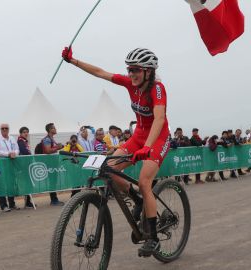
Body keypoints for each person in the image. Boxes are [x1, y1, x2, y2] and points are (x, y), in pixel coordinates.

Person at [62, 46, 171, 256]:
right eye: (129, 69)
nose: (131, 74)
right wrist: (73, 61)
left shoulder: (157, 89)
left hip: (158, 138)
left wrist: (148, 147)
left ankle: (152, 238)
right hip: (138, 136)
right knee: (109, 167)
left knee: (145, 182)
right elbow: (100, 73)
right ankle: (138, 199)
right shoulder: (129, 83)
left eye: (136, 70)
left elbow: (158, 118)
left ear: (148, 71)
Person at [0, 124, 21, 211]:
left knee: (11, 183)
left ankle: (12, 204)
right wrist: (7, 154)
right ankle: (3, 205)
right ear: (0, 129)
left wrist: (14, 153)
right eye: (2, 128)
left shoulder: (12, 138)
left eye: (6, 128)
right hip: (2, 164)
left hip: (11, 164)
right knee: (3, 185)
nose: (4, 129)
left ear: (8, 129)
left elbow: (17, 149)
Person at [40, 123, 64, 206]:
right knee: (52, 181)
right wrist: (58, 147)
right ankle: (53, 200)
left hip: (53, 163)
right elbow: (47, 151)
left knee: (53, 181)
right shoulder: (47, 139)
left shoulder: (51, 139)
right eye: (54, 128)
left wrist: (59, 147)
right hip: (50, 163)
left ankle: (54, 199)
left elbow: (52, 149)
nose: (55, 129)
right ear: (50, 130)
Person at [17, 126, 36, 208]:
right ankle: (27, 202)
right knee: (27, 183)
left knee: (28, 183)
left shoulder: (25, 141)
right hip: (24, 165)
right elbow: (24, 151)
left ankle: (28, 201)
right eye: (24, 132)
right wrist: (29, 156)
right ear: (21, 133)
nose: (26, 133)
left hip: (27, 164)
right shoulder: (20, 141)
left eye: (27, 132)